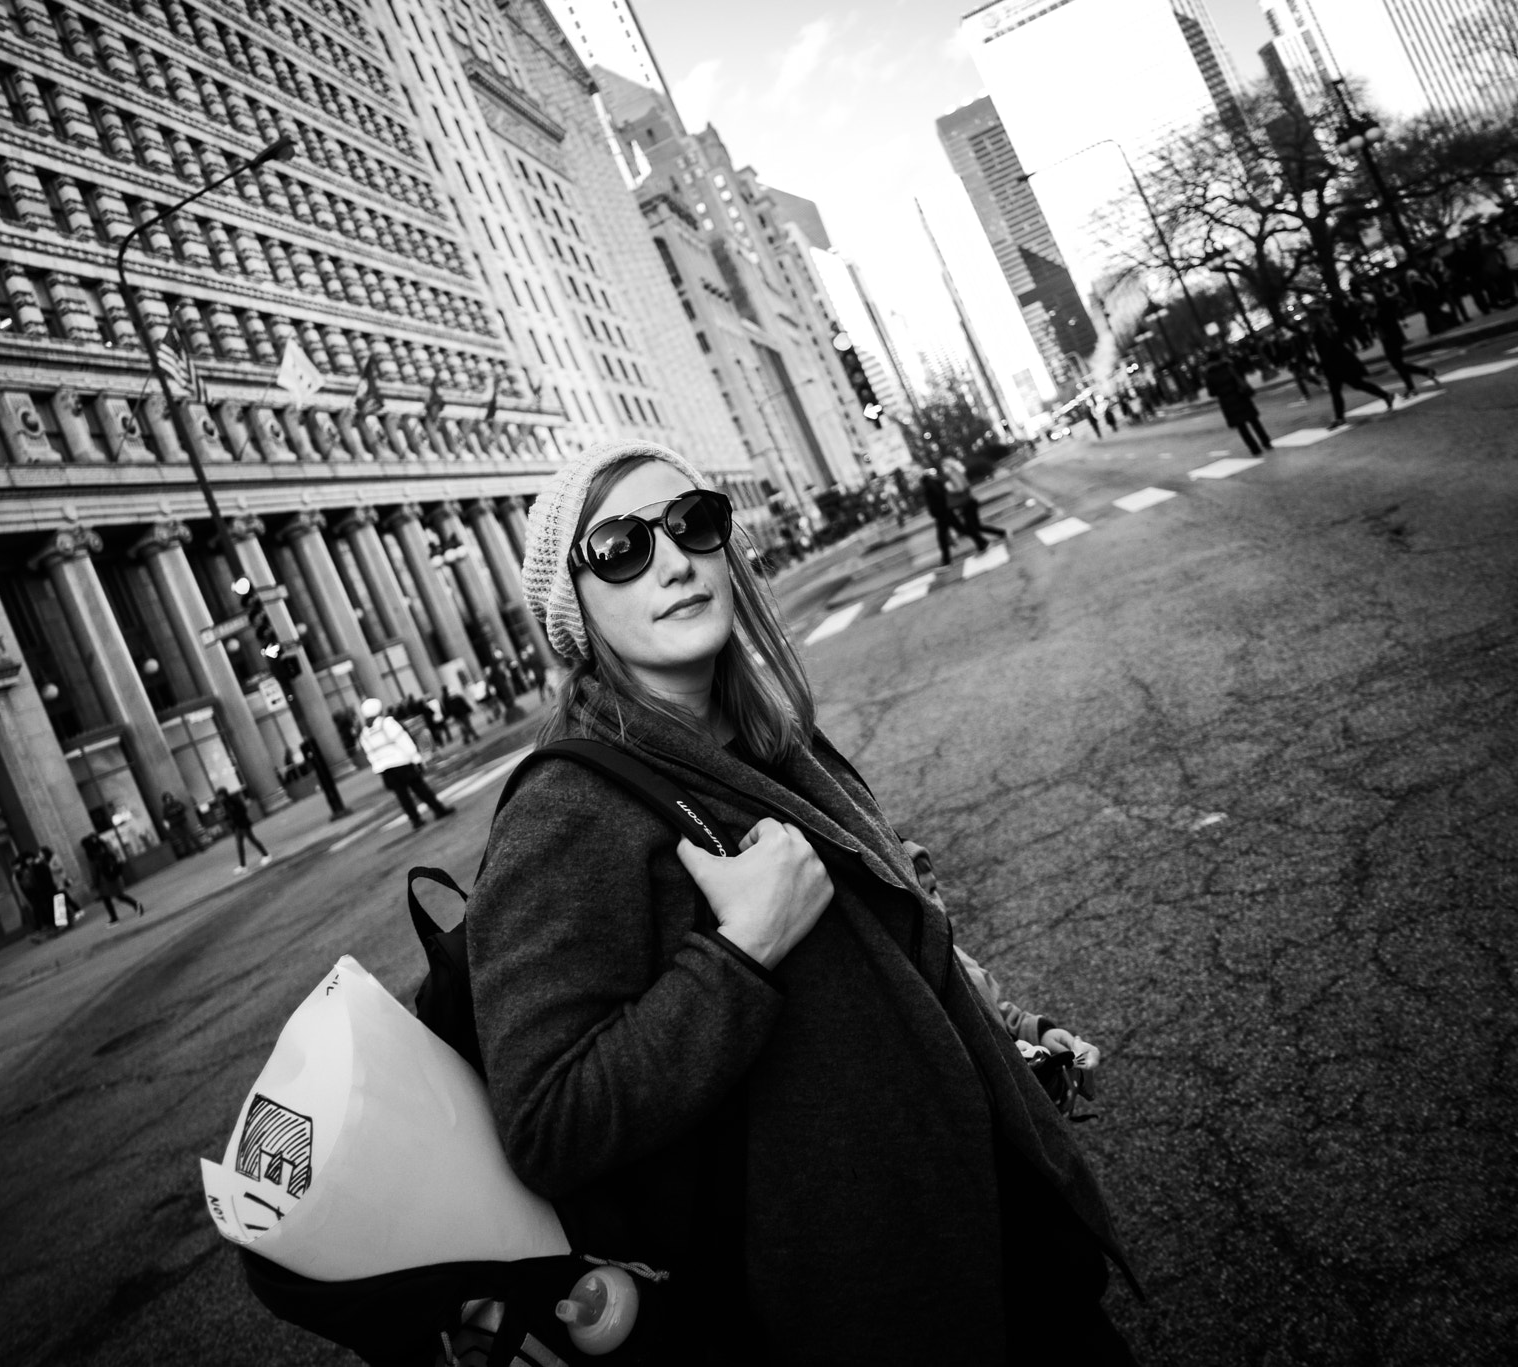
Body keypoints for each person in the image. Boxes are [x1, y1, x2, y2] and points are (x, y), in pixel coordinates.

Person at [473, 441, 1134, 1362]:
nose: (671, 559)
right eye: (621, 546)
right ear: (573, 608)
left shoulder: (777, 744)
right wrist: (740, 951)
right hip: (864, 1308)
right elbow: (550, 1122)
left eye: (690, 523)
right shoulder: (570, 809)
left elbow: (885, 963)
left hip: (997, 1238)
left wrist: (1010, 1029)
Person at [356, 696, 452, 827]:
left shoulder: (364, 733)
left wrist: (378, 767)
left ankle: (415, 820)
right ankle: (438, 810)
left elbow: (370, 753)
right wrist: (416, 758)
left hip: (385, 769)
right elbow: (404, 740)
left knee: (402, 796)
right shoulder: (387, 723)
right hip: (402, 763)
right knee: (420, 788)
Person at [1311, 313, 1393, 427]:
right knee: (1336, 391)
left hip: (1341, 364)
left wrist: (1320, 365)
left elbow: (1328, 349)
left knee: (1357, 384)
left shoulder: (1327, 330)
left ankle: (1386, 395)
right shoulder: (1324, 330)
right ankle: (1340, 417)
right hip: (1334, 366)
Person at [1368, 288, 1441, 398]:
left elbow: (1384, 321)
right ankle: (1424, 374)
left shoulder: (1383, 308)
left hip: (1391, 339)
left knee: (1397, 364)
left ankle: (1416, 382)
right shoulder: (1380, 308)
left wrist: (1372, 317)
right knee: (1398, 364)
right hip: (1387, 339)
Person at [1203, 349, 1273, 455]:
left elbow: (1212, 393)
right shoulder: (1229, 366)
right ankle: (1266, 442)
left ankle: (1254, 449)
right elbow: (1241, 376)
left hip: (1227, 402)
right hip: (1240, 396)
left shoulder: (1209, 374)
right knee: (1254, 421)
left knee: (1242, 427)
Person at [918, 467, 986, 568]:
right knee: (959, 531)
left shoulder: (929, 483)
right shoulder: (932, 481)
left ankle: (946, 561)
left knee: (944, 537)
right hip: (944, 512)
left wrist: (938, 509)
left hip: (943, 513)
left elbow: (939, 495)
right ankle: (981, 542)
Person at [941, 455, 1007, 551]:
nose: (943, 469)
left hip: (967, 504)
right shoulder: (957, 472)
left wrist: (950, 489)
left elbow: (961, 488)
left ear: (948, 466)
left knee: (971, 528)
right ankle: (996, 536)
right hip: (968, 502)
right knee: (975, 527)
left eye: (944, 466)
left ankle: (985, 543)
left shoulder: (953, 474)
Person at [82, 828, 145, 920]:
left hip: (104, 880)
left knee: (109, 898)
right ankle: (134, 906)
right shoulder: (104, 848)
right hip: (112, 876)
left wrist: (95, 884)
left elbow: (94, 871)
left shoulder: (93, 856)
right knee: (118, 896)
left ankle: (116, 916)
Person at [218, 787, 271, 872]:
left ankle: (266, 855)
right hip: (237, 826)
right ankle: (243, 865)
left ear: (224, 794)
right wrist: (226, 818)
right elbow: (230, 814)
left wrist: (235, 818)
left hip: (243, 824)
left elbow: (242, 809)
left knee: (252, 840)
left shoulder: (233, 800)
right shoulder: (225, 803)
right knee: (240, 845)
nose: (220, 798)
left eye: (221, 795)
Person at [301, 736, 348, 818]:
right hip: (318, 766)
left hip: (320, 765)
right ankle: (336, 807)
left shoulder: (311, 744)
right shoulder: (305, 746)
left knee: (327, 782)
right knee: (326, 782)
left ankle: (337, 806)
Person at [161, 791, 199, 857]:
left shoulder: (176, 802)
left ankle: (200, 847)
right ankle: (191, 852)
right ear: (164, 799)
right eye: (167, 797)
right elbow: (166, 816)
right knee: (183, 838)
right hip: (175, 825)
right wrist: (175, 811)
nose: (168, 798)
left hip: (182, 821)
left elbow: (183, 807)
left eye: (169, 797)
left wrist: (175, 811)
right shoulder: (165, 808)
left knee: (191, 834)